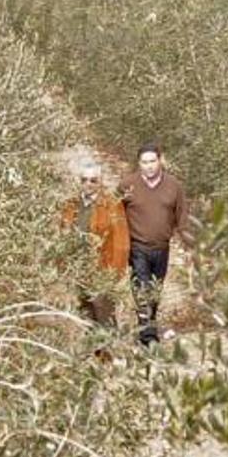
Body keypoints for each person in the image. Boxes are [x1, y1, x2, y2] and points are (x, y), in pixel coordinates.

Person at [118, 141, 191, 346]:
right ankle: (147, 335)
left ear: (160, 161)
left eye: (152, 161)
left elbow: (181, 215)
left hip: (162, 247)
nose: (149, 166)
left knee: (155, 290)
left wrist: (189, 245)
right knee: (142, 287)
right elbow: (115, 213)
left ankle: (149, 323)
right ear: (138, 163)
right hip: (137, 246)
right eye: (144, 162)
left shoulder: (173, 186)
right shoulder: (127, 185)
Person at [61, 161, 129, 330]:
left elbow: (121, 243)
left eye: (93, 180)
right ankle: (94, 353)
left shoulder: (112, 204)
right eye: (84, 180)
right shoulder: (71, 205)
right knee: (85, 313)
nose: (88, 184)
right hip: (78, 269)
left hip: (102, 269)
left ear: (101, 181)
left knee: (104, 313)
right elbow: (62, 236)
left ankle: (112, 352)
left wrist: (114, 274)